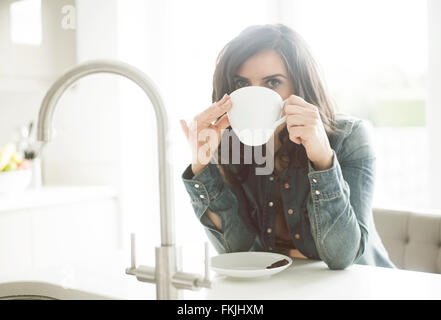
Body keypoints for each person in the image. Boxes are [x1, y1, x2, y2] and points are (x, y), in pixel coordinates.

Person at [179, 23, 395, 270]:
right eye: (241, 84)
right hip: (279, 288)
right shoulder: (230, 141)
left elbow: (342, 257)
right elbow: (235, 251)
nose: (255, 95)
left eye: (273, 82)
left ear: (299, 85)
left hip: (363, 285)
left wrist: (323, 160)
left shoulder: (350, 137)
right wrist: (201, 164)